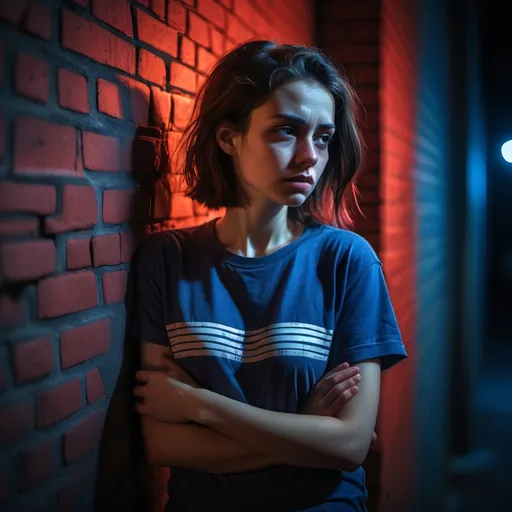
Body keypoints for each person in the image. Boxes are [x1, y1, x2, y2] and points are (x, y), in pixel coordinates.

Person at [132, 40, 407, 512]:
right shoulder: (166, 260)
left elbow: (349, 447)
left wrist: (203, 408)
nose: (309, 157)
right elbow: (163, 446)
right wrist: (304, 430)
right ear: (228, 138)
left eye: (323, 137)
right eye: (285, 131)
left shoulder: (346, 260)